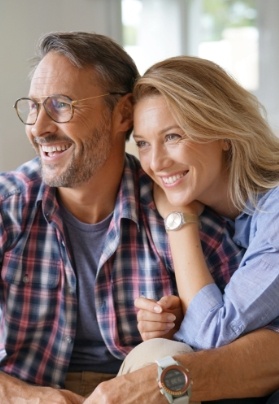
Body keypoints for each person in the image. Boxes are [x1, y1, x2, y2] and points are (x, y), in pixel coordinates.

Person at [0, 32, 245, 403]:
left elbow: (250, 338)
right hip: (24, 389)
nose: (39, 127)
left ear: (123, 114)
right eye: (33, 107)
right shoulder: (8, 206)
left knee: (165, 355)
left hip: (138, 393)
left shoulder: (179, 211)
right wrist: (24, 397)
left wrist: (182, 331)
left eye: (61, 105)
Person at [124, 55, 279, 402]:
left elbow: (214, 335)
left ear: (223, 131)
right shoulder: (218, 215)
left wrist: (179, 220)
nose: (156, 162)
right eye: (144, 143)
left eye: (174, 136)